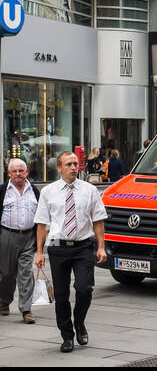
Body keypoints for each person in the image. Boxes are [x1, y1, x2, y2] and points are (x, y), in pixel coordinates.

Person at [34, 149, 107, 352]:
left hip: (84, 246)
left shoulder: (89, 190)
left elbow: (98, 219)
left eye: (75, 164)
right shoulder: (48, 192)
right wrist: (39, 252)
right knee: (61, 293)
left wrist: (101, 247)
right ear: (59, 168)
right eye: (69, 164)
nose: (74, 167)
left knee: (84, 289)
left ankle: (80, 322)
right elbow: (41, 224)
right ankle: (66, 336)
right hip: (58, 247)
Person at [0, 159, 41, 323]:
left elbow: (41, 216)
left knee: (25, 273)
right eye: (14, 171)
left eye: (21, 171)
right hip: (6, 235)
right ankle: (4, 301)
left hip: (28, 237)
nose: (18, 174)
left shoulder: (34, 191)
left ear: (26, 173)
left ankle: (26, 310)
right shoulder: (3, 190)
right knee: (6, 274)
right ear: (9, 174)